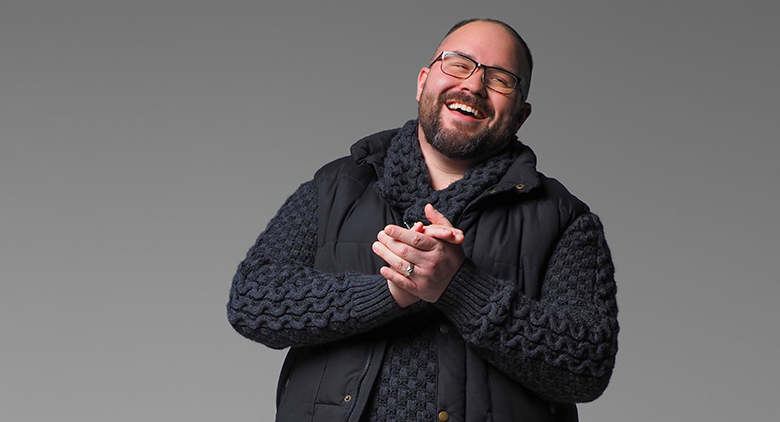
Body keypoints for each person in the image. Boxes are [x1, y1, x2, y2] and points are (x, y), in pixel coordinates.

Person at [228, 18, 618, 422]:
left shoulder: (566, 220)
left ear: (520, 115)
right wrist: (389, 293)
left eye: (500, 79)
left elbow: (587, 365)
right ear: (423, 82)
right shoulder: (335, 187)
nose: (473, 85)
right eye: (458, 64)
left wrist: (459, 287)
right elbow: (252, 300)